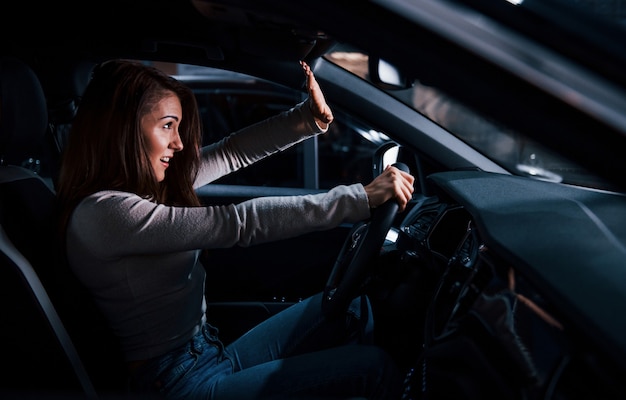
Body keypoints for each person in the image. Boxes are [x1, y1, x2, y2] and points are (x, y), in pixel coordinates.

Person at [56, 59, 415, 400]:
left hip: (206, 354)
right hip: (178, 385)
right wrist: (361, 198)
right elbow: (238, 223)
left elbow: (231, 152)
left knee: (350, 311)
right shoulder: (104, 214)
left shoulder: (143, 190)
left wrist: (307, 119)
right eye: (168, 125)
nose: (179, 143)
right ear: (123, 129)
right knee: (375, 369)